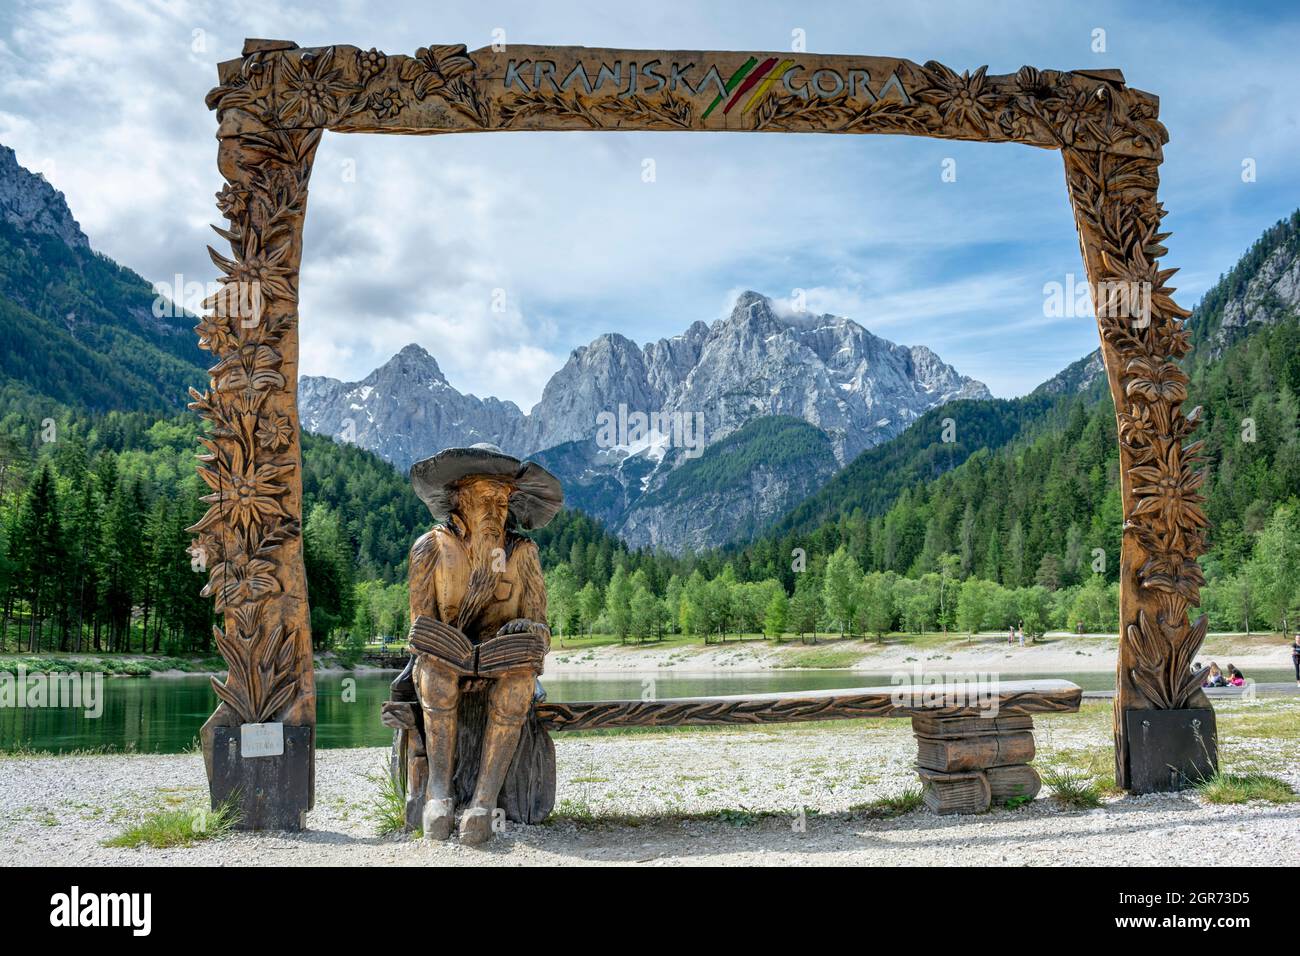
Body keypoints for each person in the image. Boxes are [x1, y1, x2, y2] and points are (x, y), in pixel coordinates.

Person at [384, 443, 563, 845]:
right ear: (459, 499)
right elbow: (419, 628)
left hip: (503, 665)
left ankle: (484, 802)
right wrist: (439, 643)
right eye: (486, 498)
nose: (496, 510)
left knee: (519, 681)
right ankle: (439, 793)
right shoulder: (430, 548)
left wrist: (528, 633)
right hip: (446, 663)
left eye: (503, 501)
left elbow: (543, 629)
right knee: (433, 671)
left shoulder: (523, 554)